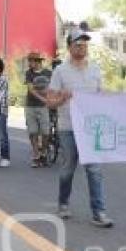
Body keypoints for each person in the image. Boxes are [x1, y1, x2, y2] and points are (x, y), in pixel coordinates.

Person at [46, 29, 113, 228]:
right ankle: (63, 203)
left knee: (94, 169)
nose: (82, 47)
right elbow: (50, 102)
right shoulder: (60, 71)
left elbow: (101, 95)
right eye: (77, 44)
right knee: (68, 169)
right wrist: (62, 97)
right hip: (68, 127)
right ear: (69, 47)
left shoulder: (95, 69)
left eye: (84, 44)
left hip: (91, 128)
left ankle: (99, 212)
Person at [24, 52, 53, 167]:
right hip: (31, 106)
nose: (29, 63)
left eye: (30, 61)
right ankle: (36, 156)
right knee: (33, 132)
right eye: (29, 61)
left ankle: (44, 153)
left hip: (44, 107)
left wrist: (48, 97)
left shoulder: (48, 73)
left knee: (46, 132)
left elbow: (52, 88)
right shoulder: (28, 73)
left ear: (37, 61)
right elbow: (31, 89)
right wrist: (43, 97)